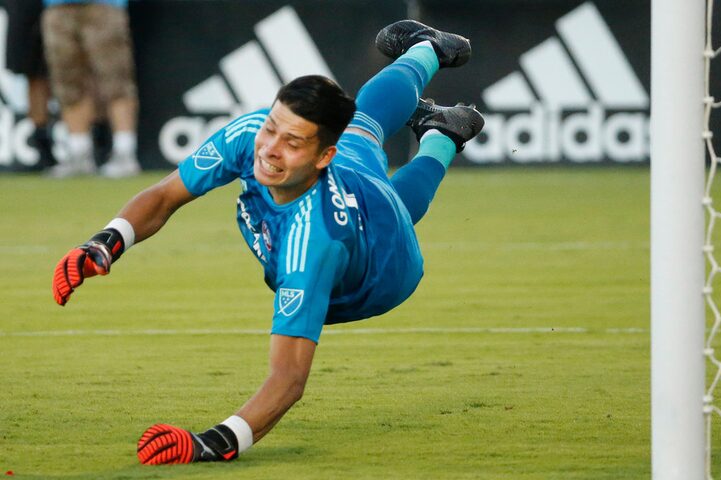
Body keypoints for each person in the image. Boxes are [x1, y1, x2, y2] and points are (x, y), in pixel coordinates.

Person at [51, 20, 484, 464]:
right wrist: (105, 242)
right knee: (361, 125)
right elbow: (164, 196)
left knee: (397, 211)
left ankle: (441, 137)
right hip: (345, 186)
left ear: (321, 157)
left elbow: (288, 380)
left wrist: (215, 441)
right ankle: (430, 52)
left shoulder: (312, 243)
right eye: (273, 127)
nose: (270, 149)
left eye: (292, 142)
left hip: (384, 273)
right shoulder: (252, 135)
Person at [40, 0, 140, 178]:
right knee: (68, 84)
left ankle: (125, 152)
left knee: (116, 78)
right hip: (58, 6)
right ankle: (79, 152)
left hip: (103, 5)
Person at [4, 0, 56, 170]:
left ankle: (90, 143)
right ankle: (43, 146)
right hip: (25, 8)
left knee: (79, 75)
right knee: (33, 74)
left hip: (66, 7)